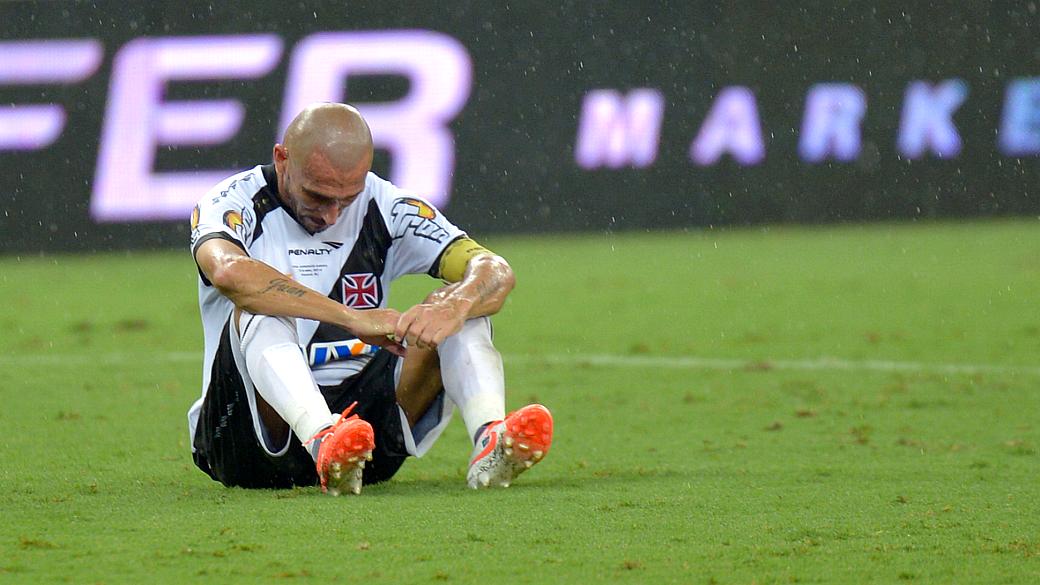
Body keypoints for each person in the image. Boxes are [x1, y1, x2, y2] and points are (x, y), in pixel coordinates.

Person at [186, 102, 553, 495]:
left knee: (456, 306)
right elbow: (228, 273)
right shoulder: (232, 201)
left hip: (365, 443)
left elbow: (494, 269)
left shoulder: (387, 204)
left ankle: (491, 440)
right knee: (258, 309)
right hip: (248, 442)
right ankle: (322, 437)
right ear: (282, 158)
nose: (331, 215)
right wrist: (351, 317)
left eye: (347, 199)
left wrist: (456, 304)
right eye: (318, 196)